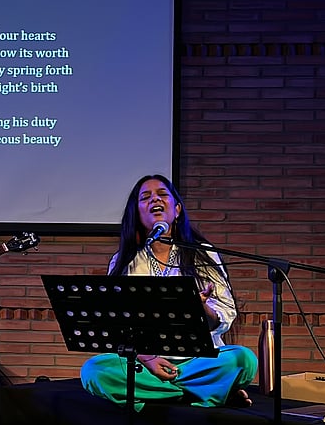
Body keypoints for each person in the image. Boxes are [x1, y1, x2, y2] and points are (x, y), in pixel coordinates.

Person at [80, 174, 258, 410]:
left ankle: (164, 394)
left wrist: (200, 307)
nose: (155, 199)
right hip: (145, 364)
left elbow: (225, 316)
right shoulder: (123, 262)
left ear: (177, 210)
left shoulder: (202, 253)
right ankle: (202, 392)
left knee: (242, 359)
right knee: (94, 371)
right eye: (146, 197)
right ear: (137, 213)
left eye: (163, 194)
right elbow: (118, 326)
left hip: (199, 360)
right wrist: (149, 359)